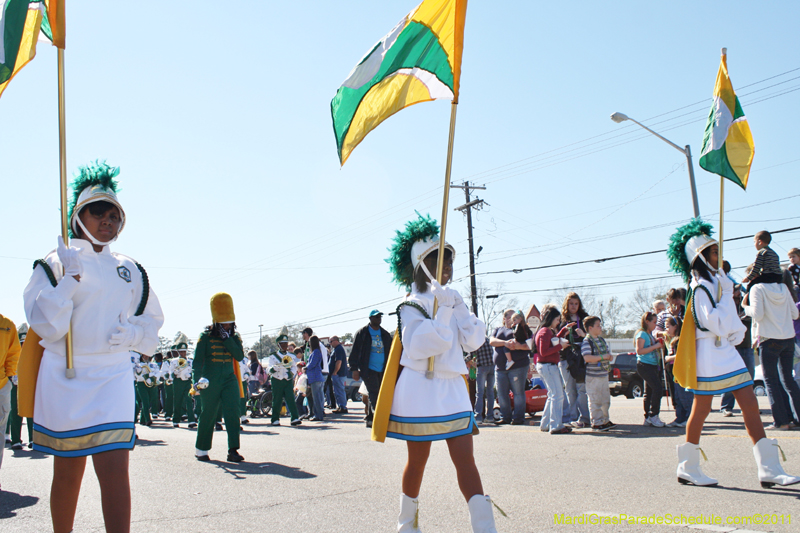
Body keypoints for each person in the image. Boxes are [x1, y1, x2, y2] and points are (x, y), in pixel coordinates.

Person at [22, 162, 164, 532]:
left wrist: (134, 337)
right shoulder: (55, 262)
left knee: (115, 467)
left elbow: (153, 323)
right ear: (76, 216)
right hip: (65, 375)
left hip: (113, 376)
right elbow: (44, 325)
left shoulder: (131, 269)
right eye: (97, 212)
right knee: (68, 470)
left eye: (114, 214)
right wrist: (68, 282)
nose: (107, 220)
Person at [375, 214, 498, 532]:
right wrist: (443, 310)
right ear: (421, 266)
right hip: (420, 390)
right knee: (417, 462)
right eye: (437, 259)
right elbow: (420, 346)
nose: (447, 267)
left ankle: (484, 527)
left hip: (453, 390)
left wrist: (458, 308)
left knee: (466, 459)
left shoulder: (452, 298)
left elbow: (473, 340)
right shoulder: (410, 305)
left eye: (449, 260)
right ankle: (407, 524)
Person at [668, 219, 799, 488]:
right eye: (714, 252)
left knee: (749, 403)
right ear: (700, 258)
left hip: (724, 351)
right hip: (710, 353)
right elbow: (712, 322)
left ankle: (769, 469)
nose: (719, 256)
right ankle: (688, 467)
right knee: (702, 409)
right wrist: (728, 298)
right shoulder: (701, 287)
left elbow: (728, 324)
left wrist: (729, 305)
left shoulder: (716, 283)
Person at [742, 268, 800, 430]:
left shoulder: (757, 288)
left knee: (771, 381)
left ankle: (781, 422)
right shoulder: (783, 287)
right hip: (788, 338)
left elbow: (757, 315)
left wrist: (744, 305)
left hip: (769, 339)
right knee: (788, 380)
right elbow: (795, 314)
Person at [192, 292, 245, 463]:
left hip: (229, 379)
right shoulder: (205, 337)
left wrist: (227, 339)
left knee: (232, 413)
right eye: (224, 323)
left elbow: (238, 356)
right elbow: (197, 362)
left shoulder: (234, 337)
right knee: (208, 414)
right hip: (210, 380)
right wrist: (196, 381)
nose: (228, 326)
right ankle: (201, 449)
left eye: (229, 323)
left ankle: (233, 450)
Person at [349, 310, 392, 428]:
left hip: (383, 369)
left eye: (380, 317)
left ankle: (370, 417)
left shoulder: (385, 334)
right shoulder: (362, 333)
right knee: (374, 393)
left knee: (379, 394)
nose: (379, 319)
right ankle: (378, 419)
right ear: (370, 318)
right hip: (368, 369)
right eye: (376, 317)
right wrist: (354, 369)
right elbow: (355, 352)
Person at [718, 284, 755, 417]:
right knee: (731, 377)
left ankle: (749, 406)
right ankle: (726, 406)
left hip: (747, 345)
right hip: (732, 347)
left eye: (739, 290)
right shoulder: (726, 304)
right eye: (736, 290)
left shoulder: (747, 302)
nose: (738, 292)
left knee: (749, 377)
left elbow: (753, 315)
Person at [490, 309, 530, 426]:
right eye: (510, 317)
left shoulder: (522, 329)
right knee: (502, 394)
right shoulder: (498, 329)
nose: (512, 320)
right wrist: (505, 343)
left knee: (518, 393)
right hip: (500, 368)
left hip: (518, 366)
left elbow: (530, 345)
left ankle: (518, 418)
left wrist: (518, 346)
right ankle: (506, 417)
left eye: (515, 317)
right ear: (504, 319)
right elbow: (492, 341)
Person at [535, 307, 571, 434]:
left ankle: (546, 424)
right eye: (557, 319)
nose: (558, 322)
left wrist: (563, 332)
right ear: (550, 319)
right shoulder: (545, 332)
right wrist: (561, 346)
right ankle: (556, 425)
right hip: (548, 365)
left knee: (552, 395)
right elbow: (543, 352)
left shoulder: (546, 331)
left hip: (546, 366)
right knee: (558, 395)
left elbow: (551, 342)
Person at [558, 293, 590, 428]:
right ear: (567, 304)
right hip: (565, 357)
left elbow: (593, 335)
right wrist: (564, 334)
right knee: (570, 389)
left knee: (582, 388)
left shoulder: (584, 318)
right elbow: (555, 338)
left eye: (576, 304)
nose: (574, 306)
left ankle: (585, 418)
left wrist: (584, 335)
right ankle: (573, 417)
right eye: (571, 304)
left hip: (580, 358)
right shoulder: (560, 319)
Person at [580, 316, 615, 431]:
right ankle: (597, 422)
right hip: (593, 377)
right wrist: (602, 357)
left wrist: (609, 356)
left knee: (605, 399)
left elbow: (607, 352)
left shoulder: (601, 340)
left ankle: (605, 420)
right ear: (590, 328)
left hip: (603, 375)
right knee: (595, 400)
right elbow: (587, 358)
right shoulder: (587, 341)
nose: (600, 328)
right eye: (598, 326)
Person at [0, 313, 22, 490]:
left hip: (1, 386)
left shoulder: (7, 325)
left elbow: (14, 353)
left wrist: (8, 377)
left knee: (0, 434)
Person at [660, 317, 692, 427]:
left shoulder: (680, 340)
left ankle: (689, 418)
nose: (666, 329)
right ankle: (680, 418)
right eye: (665, 327)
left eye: (668, 327)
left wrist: (669, 358)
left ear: (675, 327)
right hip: (673, 373)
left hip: (681, 372)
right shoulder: (670, 340)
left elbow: (683, 355)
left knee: (684, 396)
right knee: (677, 397)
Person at [634, 312, 665, 427]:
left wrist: (656, 343)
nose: (655, 325)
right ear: (647, 321)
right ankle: (653, 415)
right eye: (654, 322)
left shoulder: (650, 335)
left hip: (652, 365)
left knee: (650, 391)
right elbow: (640, 350)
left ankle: (647, 417)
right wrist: (655, 346)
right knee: (657, 388)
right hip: (644, 365)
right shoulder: (642, 334)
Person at [267, 334, 301, 426]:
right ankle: (275, 419)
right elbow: (269, 367)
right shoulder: (273, 356)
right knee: (277, 400)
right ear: (278, 345)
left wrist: (290, 374)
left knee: (290, 399)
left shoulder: (291, 356)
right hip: (277, 379)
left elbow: (294, 367)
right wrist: (273, 368)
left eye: (286, 344)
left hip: (287, 379)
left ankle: (294, 418)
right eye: (282, 344)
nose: (285, 346)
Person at [171, 344, 195, 429]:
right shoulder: (174, 361)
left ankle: (191, 420)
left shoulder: (190, 361)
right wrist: (174, 373)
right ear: (178, 352)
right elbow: (170, 373)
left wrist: (190, 375)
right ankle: (176, 420)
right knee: (178, 401)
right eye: (181, 352)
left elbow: (193, 370)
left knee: (189, 400)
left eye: (184, 351)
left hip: (187, 382)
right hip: (178, 382)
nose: (183, 353)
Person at [472, 337, 494, 424]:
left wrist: (465, 360)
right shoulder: (488, 339)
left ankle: (478, 417)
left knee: (480, 393)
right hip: (492, 366)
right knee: (490, 392)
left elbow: (471, 354)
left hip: (482, 367)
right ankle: (490, 416)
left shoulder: (476, 341)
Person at [305, 336, 325, 422]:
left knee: (317, 398)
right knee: (318, 398)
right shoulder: (316, 351)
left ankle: (318, 416)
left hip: (315, 378)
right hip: (317, 378)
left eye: (309, 342)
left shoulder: (316, 352)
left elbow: (312, 363)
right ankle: (318, 415)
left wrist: (305, 368)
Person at [329, 336, 349, 414]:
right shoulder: (336, 349)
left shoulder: (339, 349)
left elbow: (338, 362)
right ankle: (340, 406)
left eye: (331, 341)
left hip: (339, 374)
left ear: (336, 341)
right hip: (337, 374)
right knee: (337, 391)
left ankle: (343, 407)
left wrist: (335, 372)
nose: (330, 343)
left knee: (339, 390)